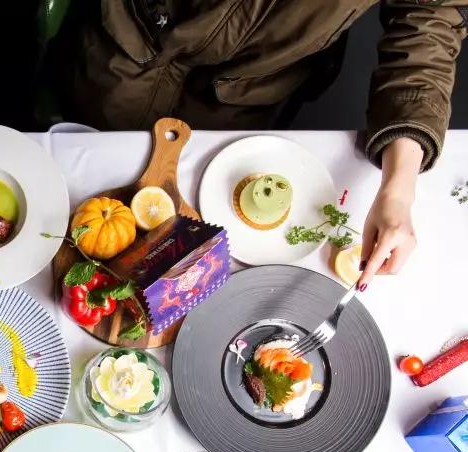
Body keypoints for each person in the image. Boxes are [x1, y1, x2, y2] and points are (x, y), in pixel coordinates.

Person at [72, 1, 467, 289]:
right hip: (128, 49)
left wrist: (398, 191)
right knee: (87, 171)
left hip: (243, 90)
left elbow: (428, 23)